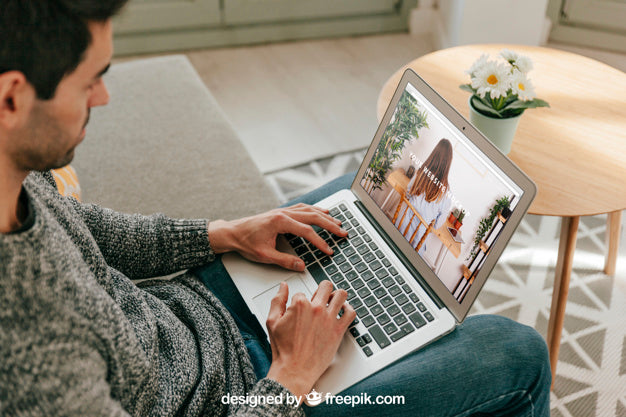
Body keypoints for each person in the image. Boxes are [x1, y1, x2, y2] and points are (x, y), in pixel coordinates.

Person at [0, 1, 551, 416]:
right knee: (518, 352)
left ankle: (409, 331)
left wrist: (224, 234)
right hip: (246, 393)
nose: (103, 97)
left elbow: (84, 230)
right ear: (13, 98)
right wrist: (292, 375)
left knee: (351, 208)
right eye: (90, 79)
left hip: (191, 310)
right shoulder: (32, 352)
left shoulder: (16, 179)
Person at [395, 139, 453, 255]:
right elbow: (436, 225)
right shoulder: (446, 195)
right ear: (448, 164)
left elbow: (407, 193)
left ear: (433, 155)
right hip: (414, 246)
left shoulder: (419, 173)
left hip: (398, 230)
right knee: (422, 245)